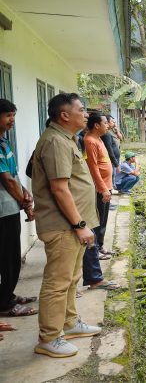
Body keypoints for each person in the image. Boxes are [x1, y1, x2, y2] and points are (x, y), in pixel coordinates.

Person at [31, 93, 102, 358]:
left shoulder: (66, 139)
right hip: (64, 226)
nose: (86, 114)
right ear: (64, 115)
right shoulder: (55, 142)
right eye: (81, 110)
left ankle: (69, 323)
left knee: (71, 279)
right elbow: (60, 189)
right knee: (57, 283)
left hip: (72, 226)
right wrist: (79, 224)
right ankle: (49, 337)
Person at [0, 99, 38, 318]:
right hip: (4, 210)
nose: (12, 120)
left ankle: (7, 295)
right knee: (9, 258)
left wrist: (25, 193)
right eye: (7, 115)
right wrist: (24, 203)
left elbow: (13, 176)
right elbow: (6, 180)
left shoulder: (4, 142)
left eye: (13, 115)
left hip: (11, 205)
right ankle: (5, 304)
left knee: (9, 257)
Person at [83, 112, 121, 269]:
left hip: (107, 186)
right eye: (105, 123)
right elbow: (93, 167)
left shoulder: (98, 139)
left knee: (104, 218)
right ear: (97, 125)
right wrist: (103, 188)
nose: (108, 125)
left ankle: (101, 245)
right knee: (99, 219)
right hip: (101, 188)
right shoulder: (90, 141)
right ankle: (97, 248)